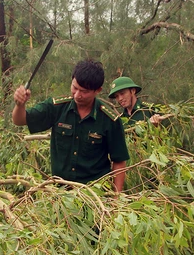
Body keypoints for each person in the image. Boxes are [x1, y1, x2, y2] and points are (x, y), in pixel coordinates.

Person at [13, 59, 130, 192]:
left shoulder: (109, 119)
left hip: (95, 193)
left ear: (98, 90)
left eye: (84, 91)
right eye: (75, 88)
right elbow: (20, 120)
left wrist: (116, 198)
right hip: (60, 193)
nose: (77, 95)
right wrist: (19, 104)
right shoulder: (56, 107)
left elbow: (119, 161)